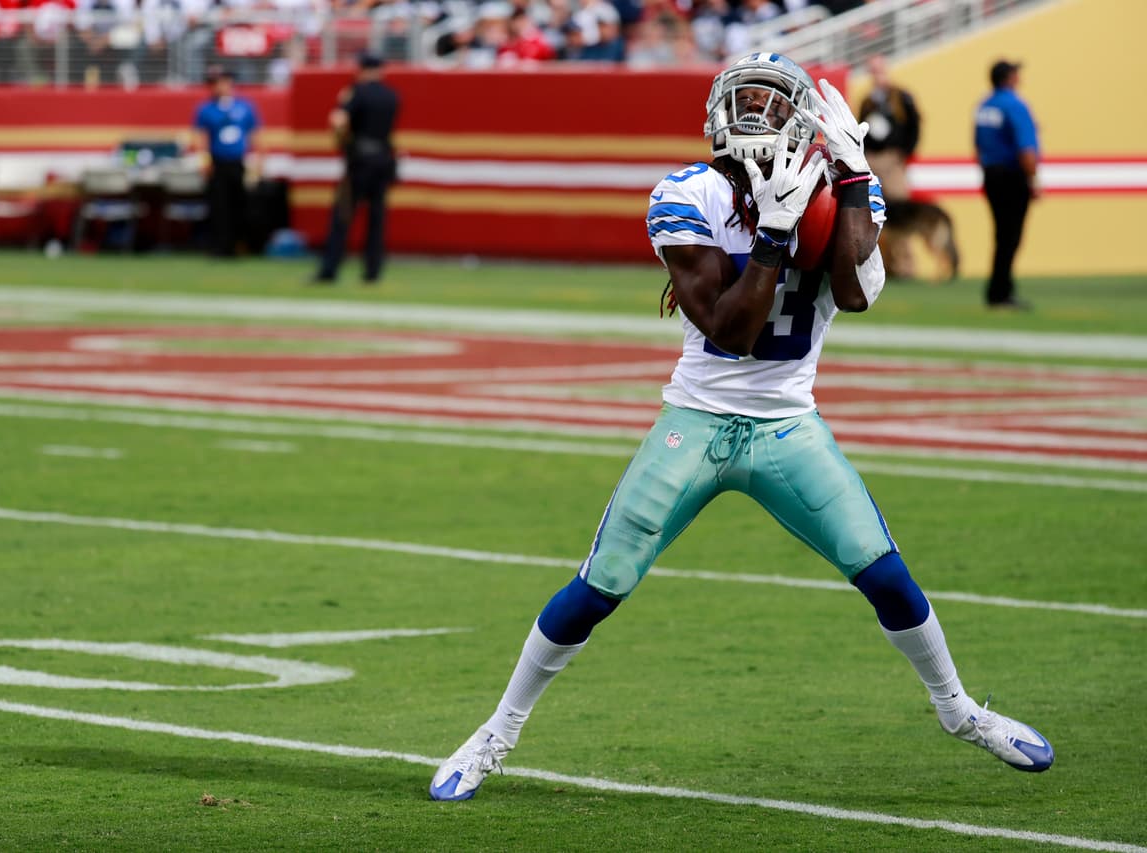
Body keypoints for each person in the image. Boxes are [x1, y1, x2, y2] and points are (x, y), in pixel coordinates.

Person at [429, 52, 1053, 802]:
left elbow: (854, 293)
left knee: (885, 572)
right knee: (600, 584)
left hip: (788, 425)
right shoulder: (685, 193)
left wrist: (853, 181)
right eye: (746, 99)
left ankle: (959, 710)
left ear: (805, 119)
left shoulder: (839, 188)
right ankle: (494, 734)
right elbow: (730, 331)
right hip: (698, 419)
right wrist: (772, 236)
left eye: (772, 102)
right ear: (716, 113)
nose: (757, 114)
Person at [311, 51, 400, 284]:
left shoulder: (357, 92)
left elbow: (338, 120)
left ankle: (330, 269)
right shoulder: (392, 95)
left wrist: (342, 141)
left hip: (360, 161)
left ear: (361, 70)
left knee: (342, 214)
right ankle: (373, 271)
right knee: (376, 218)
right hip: (383, 159)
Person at [974, 59, 1040, 310]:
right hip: (1012, 176)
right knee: (1010, 236)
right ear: (1009, 78)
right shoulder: (1014, 105)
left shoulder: (985, 106)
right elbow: (1026, 148)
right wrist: (1032, 179)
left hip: (991, 175)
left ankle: (999, 289)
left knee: (1002, 234)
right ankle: (1000, 292)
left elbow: (979, 145)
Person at [194, 66, 262, 257]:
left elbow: (254, 135)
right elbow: (202, 138)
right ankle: (219, 245)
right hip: (218, 162)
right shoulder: (206, 110)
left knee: (239, 204)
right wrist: (204, 161)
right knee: (218, 206)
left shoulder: (244, 107)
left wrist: (258, 161)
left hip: (238, 162)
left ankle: (238, 244)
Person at [856, 55, 920, 202]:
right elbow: (861, 129)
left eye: (879, 70)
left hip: (892, 159)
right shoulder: (868, 101)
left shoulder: (901, 97)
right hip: (872, 159)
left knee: (898, 202)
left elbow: (914, 126)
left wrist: (904, 153)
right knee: (872, 203)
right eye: (873, 71)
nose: (877, 75)